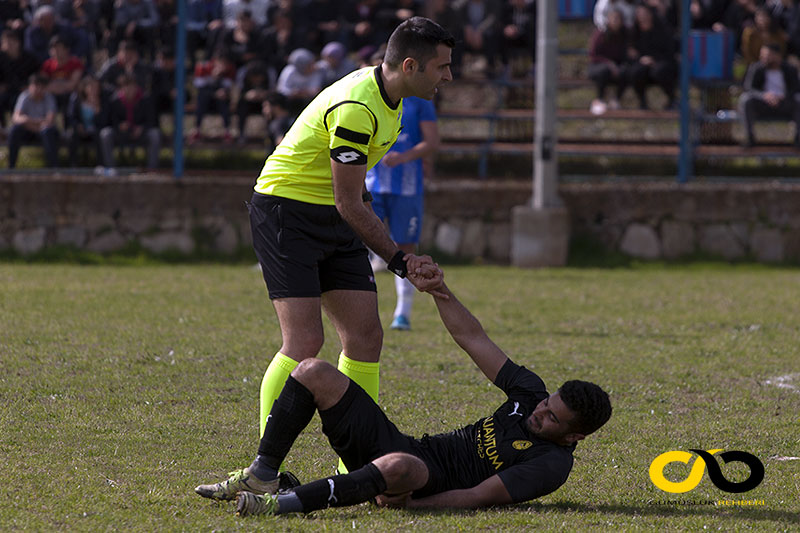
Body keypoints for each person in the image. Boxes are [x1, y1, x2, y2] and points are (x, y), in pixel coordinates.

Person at [194, 275, 613, 516]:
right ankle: (264, 473)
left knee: (398, 465)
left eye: (552, 419)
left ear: (574, 437)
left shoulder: (550, 465)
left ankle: (279, 505)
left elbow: (476, 498)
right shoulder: (528, 392)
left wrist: (411, 505)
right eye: (546, 404)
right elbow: (472, 337)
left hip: (421, 481)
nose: (540, 413)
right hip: (406, 448)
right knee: (313, 370)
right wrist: (439, 290)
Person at [245, 17, 454, 481]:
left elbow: (354, 197)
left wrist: (394, 250)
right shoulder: (359, 106)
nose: (448, 76)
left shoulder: (394, 99)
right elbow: (348, 201)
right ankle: (267, 468)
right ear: (409, 64)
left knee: (364, 338)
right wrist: (400, 260)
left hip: (336, 214)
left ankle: (358, 465)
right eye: (441, 67)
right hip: (287, 211)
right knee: (304, 343)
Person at [365, 94, 439, 331]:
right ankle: (362, 311)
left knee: (405, 248)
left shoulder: (419, 101)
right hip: (371, 185)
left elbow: (432, 141)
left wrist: (404, 157)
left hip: (406, 187)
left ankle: (402, 313)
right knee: (359, 244)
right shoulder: (366, 97)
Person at [737, 43, 800, 147]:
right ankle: (750, 138)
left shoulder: (790, 69)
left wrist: (783, 97)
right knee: (745, 99)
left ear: (777, 56)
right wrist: (764, 96)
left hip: (784, 105)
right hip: (763, 104)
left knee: (798, 100)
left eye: (767, 55)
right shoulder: (756, 68)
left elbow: (796, 89)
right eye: (762, 55)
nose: (763, 58)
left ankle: (798, 140)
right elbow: (748, 88)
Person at [99, 74, 161, 172]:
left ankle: (152, 169)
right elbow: (108, 121)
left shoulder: (146, 100)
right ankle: (111, 169)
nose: (129, 90)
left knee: (154, 134)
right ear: (121, 88)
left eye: (132, 87)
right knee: (105, 134)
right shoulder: (114, 101)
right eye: (126, 87)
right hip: (121, 134)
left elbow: (153, 121)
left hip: (141, 134)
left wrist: (142, 128)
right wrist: (119, 126)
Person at [7, 74, 60, 168]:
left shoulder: (49, 97)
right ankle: (11, 166)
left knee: (47, 132)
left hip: (44, 132)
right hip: (29, 130)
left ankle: (53, 168)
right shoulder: (24, 96)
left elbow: (49, 121)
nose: (38, 90)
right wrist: (36, 122)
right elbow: (16, 118)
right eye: (36, 86)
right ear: (30, 86)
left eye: (41, 87)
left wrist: (27, 120)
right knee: (15, 130)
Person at [588, 8, 630, 115]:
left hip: (617, 66)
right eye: (613, 18)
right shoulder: (600, 34)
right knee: (604, 71)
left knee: (626, 71)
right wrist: (609, 64)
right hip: (598, 66)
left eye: (618, 19)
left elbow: (625, 55)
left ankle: (616, 100)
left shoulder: (625, 35)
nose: (616, 21)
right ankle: (599, 99)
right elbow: (593, 55)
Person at [0, 29, 42, 132]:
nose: (9, 45)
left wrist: (29, 87)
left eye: (11, 42)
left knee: (19, 102)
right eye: (6, 43)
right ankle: (2, 129)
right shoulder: (1, 58)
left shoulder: (29, 58)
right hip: (7, 91)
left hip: (25, 91)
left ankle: (20, 130)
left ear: (18, 42)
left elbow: (37, 76)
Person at [64, 74, 108, 167]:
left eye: (96, 87)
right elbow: (71, 117)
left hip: (95, 131)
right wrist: (78, 125)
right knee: (71, 135)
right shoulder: (76, 99)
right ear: (85, 88)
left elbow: (104, 122)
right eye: (91, 87)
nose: (94, 90)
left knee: (100, 135)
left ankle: (101, 166)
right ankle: (73, 165)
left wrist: (97, 111)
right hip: (80, 131)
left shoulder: (103, 100)